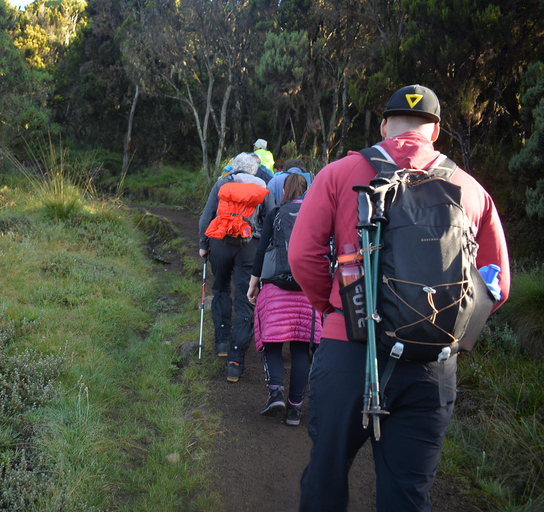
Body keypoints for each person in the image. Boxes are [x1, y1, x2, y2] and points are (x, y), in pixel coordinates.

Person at [288, 84, 511, 511]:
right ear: (436, 131)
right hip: (431, 364)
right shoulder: (471, 190)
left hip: (349, 349)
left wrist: (334, 309)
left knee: (327, 475)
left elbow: (302, 255)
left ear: (385, 125)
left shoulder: (338, 174)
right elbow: (496, 286)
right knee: (408, 495)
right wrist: (448, 326)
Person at [247, 173, 322, 425]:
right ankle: (294, 410)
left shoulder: (275, 214)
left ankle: (276, 393)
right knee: (302, 348)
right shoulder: (316, 214)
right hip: (307, 290)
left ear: (284, 190)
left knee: (272, 342)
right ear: (306, 190)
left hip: (276, 288)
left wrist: (254, 282)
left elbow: (262, 249)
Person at [199, 152, 275, 382]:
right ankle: (235, 360)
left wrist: (204, 244)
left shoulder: (222, 183)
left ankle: (221, 340)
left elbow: (206, 217)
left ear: (234, 167)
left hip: (220, 243)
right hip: (249, 247)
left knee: (221, 289)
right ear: (253, 170)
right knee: (245, 301)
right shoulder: (263, 187)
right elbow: (271, 220)